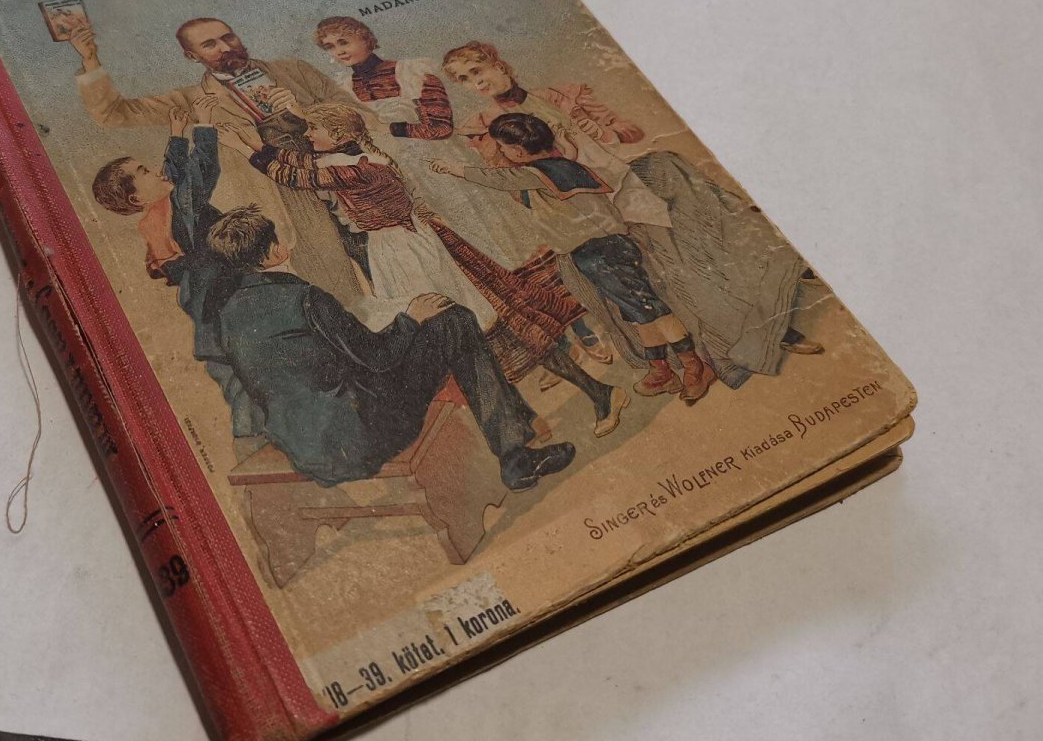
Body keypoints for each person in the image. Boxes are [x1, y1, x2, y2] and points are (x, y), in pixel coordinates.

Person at [218, 104, 623, 435]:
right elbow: (299, 161)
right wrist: (253, 143)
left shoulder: (362, 166)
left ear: (338, 134)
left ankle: (594, 395)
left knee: (480, 328)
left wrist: (247, 149)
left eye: (315, 130)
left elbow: (294, 175)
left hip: (406, 250)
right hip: (397, 248)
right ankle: (527, 420)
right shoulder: (350, 155)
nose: (309, 137)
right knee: (466, 335)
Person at [441, 41, 821, 386]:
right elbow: (516, 187)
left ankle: (769, 328)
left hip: (622, 185)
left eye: (478, 70)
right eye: (464, 80)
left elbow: (624, 134)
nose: (476, 82)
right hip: (587, 211)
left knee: (692, 251)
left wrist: (611, 131)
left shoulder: (557, 96)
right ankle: (732, 345)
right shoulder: (486, 130)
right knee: (664, 275)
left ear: (498, 64)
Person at [206, 205, 577, 492]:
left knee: (427, 334)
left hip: (308, 450)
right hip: (364, 436)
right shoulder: (305, 297)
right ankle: (515, 460)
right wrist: (411, 318)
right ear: (273, 253)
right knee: (454, 320)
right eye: (276, 238)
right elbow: (378, 357)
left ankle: (518, 435)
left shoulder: (229, 314)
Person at [68, 17, 363, 304]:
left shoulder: (293, 70)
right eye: (210, 44)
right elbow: (113, 114)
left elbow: (361, 115)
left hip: (348, 181)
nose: (225, 47)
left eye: (228, 37)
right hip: (286, 202)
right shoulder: (194, 99)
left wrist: (304, 113)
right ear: (192, 56)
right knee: (334, 288)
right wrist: (90, 60)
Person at [432, 112, 719, 403]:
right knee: (636, 310)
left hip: (599, 250)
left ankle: (694, 366)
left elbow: (498, 178)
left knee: (648, 308)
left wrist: (455, 169)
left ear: (517, 151)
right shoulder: (565, 166)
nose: (502, 153)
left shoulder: (537, 173)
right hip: (600, 249)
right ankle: (661, 368)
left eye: (503, 148)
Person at [89, 96, 263, 446]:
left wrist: (176, 133)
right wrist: (203, 123)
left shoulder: (158, 213)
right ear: (136, 199)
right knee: (247, 366)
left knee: (235, 368)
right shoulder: (179, 207)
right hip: (222, 296)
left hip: (206, 298)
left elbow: (172, 175)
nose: (155, 171)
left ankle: (253, 438)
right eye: (144, 172)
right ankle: (254, 440)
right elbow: (201, 174)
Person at [313, 15, 454, 140]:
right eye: (330, 47)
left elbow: (441, 128)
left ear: (365, 39)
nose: (339, 51)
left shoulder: (412, 73)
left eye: (344, 42)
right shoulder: (344, 89)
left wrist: (382, 127)